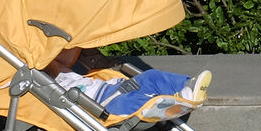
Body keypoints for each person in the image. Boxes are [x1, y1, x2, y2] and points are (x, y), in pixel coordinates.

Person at [46, 47, 212, 116]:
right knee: (129, 102)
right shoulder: (46, 81)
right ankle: (162, 104)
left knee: (151, 76)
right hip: (100, 102)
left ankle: (187, 87)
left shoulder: (61, 70)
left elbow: (64, 58)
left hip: (110, 87)